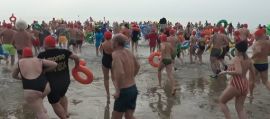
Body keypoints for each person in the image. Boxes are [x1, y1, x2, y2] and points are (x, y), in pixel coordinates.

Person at [38, 35, 80, 119]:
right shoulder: (63, 51)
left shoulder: (42, 55)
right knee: (62, 96)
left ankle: (64, 117)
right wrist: (76, 66)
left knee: (55, 103)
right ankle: (66, 112)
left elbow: (38, 70)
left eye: (44, 43)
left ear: (46, 44)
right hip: (65, 81)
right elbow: (76, 57)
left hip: (52, 84)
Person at [12, 47, 57, 119]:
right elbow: (54, 64)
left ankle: (43, 114)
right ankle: (43, 112)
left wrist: (22, 78)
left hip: (31, 89)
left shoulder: (19, 62)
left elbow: (13, 75)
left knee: (40, 113)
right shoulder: (39, 60)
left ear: (23, 55)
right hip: (45, 87)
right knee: (39, 105)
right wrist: (45, 71)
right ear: (32, 54)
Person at [218, 41, 255, 119]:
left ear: (238, 50)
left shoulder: (237, 58)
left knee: (221, 101)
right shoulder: (249, 60)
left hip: (236, 84)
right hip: (245, 84)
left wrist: (226, 72)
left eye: (235, 48)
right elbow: (253, 73)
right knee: (240, 108)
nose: (235, 49)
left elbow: (238, 71)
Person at [111, 34, 140, 119]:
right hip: (133, 88)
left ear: (116, 43)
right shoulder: (129, 52)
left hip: (124, 91)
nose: (111, 43)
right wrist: (131, 77)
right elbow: (138, 66)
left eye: (112, 41)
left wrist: (117, 91)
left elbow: (120, 73)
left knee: (115, 117)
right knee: (129, 116)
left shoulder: (116, 54)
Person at [249, 29, 270, 98]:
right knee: (265, 81)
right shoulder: (268, 42)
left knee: (251, 80)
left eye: (255, 36)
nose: (254, 37)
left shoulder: (257, 43)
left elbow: (258, 51)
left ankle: (251, 95)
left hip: (256, 63)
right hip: (265, 63)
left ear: (258, 36)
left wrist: (251, 57)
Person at [99, 31, 114, 103]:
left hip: (105, 60)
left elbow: (101, 52)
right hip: (113, 60)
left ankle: (108, 94)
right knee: (114, 77)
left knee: (106, 78)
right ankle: (117, 91)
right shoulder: (114, 43)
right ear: (111, 36)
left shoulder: (102, 44)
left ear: (105, 36)